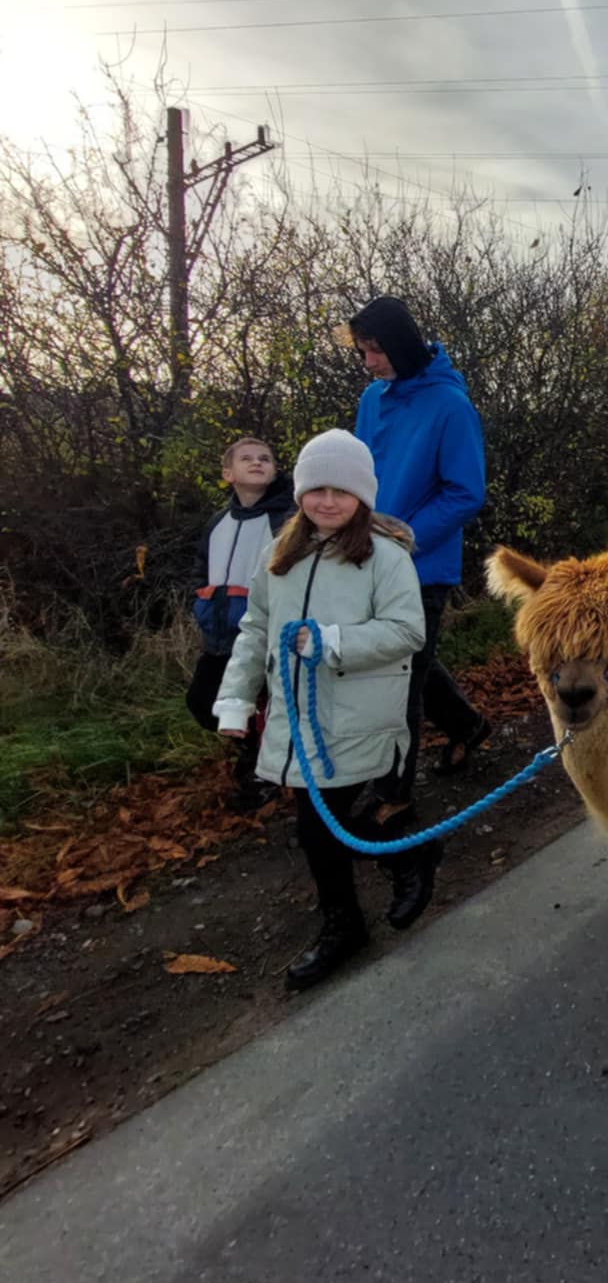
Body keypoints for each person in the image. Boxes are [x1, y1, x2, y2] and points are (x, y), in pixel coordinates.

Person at [213, 430, 426, 991]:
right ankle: (405, 857)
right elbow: (255, 628)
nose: (327, 501)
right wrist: (235, 697)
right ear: (302, 490)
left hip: (355, 715)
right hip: (295, 716)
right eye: (316, 489)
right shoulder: (280, 553)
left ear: (362, 496)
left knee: (316, 828)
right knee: (317, 828)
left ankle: (350, 919)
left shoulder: (385, 555)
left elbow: (408, 630)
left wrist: (334, 641)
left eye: (341, 490)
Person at [349, 296, 488, 872]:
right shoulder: (370, 398)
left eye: (374, 351)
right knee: (415, 663)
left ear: (400, 346)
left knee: (397, 681)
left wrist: (404, 538)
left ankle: (393, 794)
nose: (367, 364)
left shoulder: (451, 406)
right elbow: (356, 474)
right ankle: (467, 724)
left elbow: (465, 492)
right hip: (362, 558)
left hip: (420, 568)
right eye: (362, 353)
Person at [185, 436, 295, 807]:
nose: (257, 463)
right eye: (246, 459)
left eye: (265, 458)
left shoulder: (285, 520)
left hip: (264, 634)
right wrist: (199, 603)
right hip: (219, 635)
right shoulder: (219, 522)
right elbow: (200, 568)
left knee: (268, 703)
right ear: (227, 474)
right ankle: (251, 747)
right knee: (202, 700)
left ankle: (264, 773)